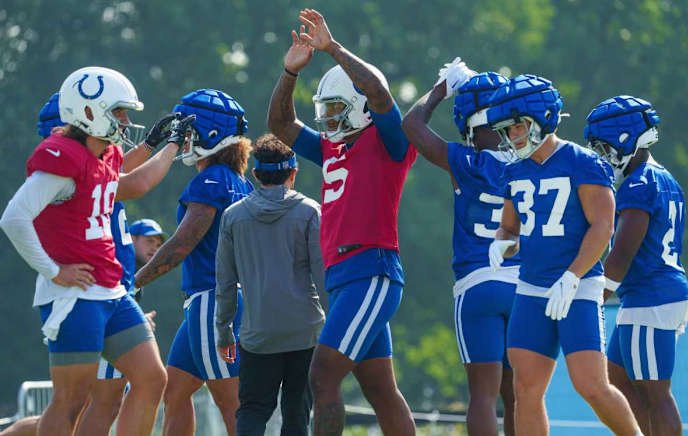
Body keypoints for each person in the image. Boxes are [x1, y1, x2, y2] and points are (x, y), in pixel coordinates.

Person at [267, 9, 417, 435]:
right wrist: (290, 73)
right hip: (345, 276)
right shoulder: (334, 149)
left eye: (337, 108)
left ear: (361, 108)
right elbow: (279, 124)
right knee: (380, 389)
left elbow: (379, 92)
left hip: (371, 269)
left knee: (322, 375)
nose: (329, 118)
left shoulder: (387, 141)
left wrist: (332, 48)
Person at [0, 67, 167, 436]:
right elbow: (13, 219)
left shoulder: (104, 156)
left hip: (110, 289)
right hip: (74, 293)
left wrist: (171, 143)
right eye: (119, 112)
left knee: (152, 377)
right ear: (89, 111)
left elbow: (135, 182)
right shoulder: (64, 157)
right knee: (71, 401)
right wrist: (54, 270)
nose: (125, 121)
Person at [486, 74, 642, 436]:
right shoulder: (514, 171)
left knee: (591, 385)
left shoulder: (582, 162)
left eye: (517, 127)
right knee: (525, 390)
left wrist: (572, 276)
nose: (511, 137)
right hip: (531, 288)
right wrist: (502, 242)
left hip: (578, 284)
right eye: (506, 131)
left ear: (542, 119)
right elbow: (510, 228)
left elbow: (603, 227)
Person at [402, 65, 516, 436]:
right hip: (524, 286)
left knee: (483, 396)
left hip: (478, 284)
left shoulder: (466, 161)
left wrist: (439, 90)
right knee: (520, 395)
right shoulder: (533, 165)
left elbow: (412, 125)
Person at [134, 88, 254, 436]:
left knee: (230, 402)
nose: (182, 139)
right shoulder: (240, 182)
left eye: (187, 131)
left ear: (211, 133)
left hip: (212, 303)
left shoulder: (210, 179)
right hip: (220, 301)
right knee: (175, 393)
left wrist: (134, 281)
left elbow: (182, 243)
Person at [585, 95, 688, 436]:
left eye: (604, 147)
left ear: (625, 138)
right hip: (653, 293)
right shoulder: (663, 177)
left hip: (651, 295)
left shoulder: (639, 182)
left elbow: (625, 248)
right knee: (616, 376)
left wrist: (598, 291)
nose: (602, 156)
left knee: (655, 393)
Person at [215, 133, 327, 435]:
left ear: (255, 174)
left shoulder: (232, 217)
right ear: (293, 173)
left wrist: (224, 332)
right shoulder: (309, 212)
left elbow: (225, 283)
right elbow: (323, 275)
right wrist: (335, 331)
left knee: (252, 411)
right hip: (306, 333)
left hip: (257, 336)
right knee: (297, 414)